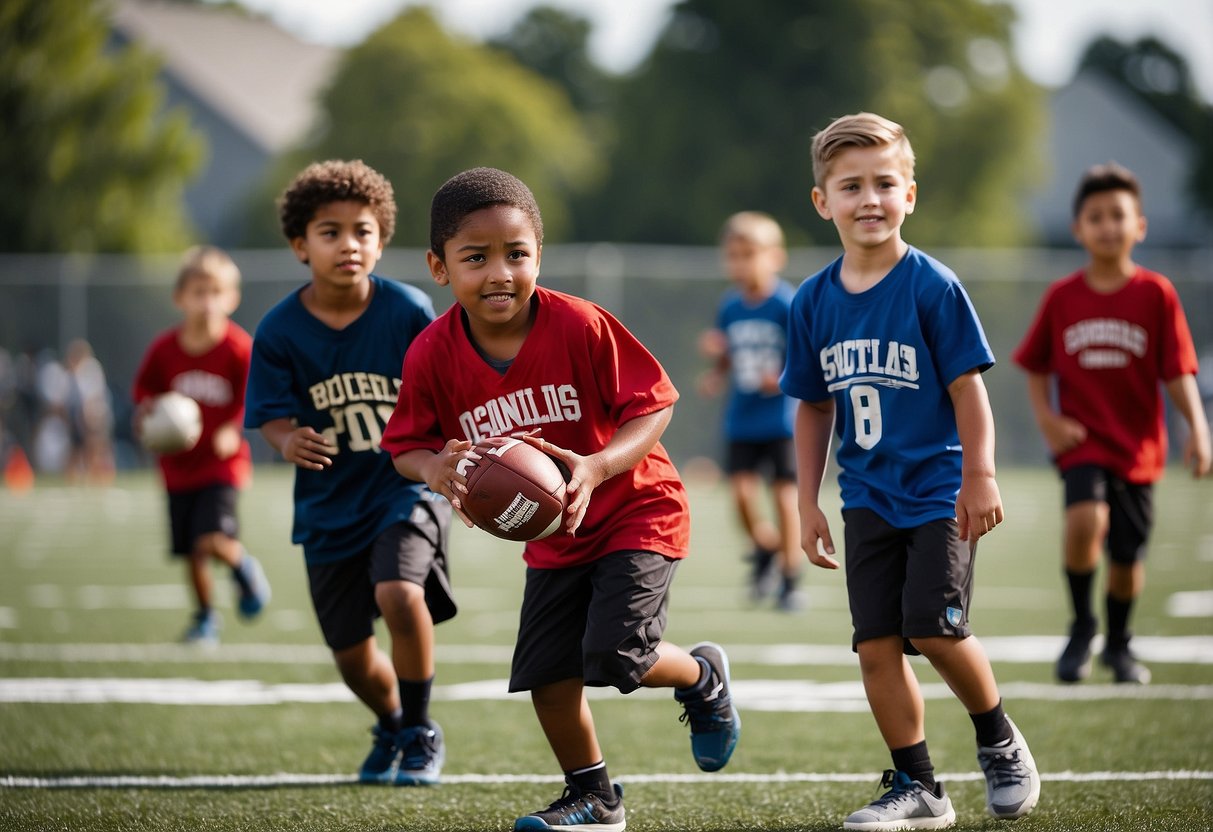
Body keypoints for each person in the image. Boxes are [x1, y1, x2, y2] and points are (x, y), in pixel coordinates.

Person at [380, 167, 741, 831]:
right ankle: (594, 797)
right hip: (549, 531)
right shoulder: (431, 353)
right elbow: (404, 443)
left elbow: (654, 405)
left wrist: (597, 466)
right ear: (439, 267)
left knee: (614, 657)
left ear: (538, 257)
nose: (499, 273)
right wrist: (435, 469)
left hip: (635, 506)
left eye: (516, 254)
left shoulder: (579, 324)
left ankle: (699, 676)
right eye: (475, 258)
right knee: (547, 672)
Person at [781, 112, 1040, 829]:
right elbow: (811, 408)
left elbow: (968, 388)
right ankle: (918, 786)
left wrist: (979, 474)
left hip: (936, 490)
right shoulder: (811, 300)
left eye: (884, 184)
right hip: (865, 495)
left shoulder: (931, 285)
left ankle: (997, 740)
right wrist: (806, 502)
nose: (869, 199)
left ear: (910, 195)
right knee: (873, 647)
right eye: (850, 186)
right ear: (821, 201)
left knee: (933, 628)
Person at [243, 159, 456, 786]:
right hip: (329, 504)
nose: (348, 245)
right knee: (351, 655)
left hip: (404, 484)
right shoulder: (280, 329)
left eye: (363, 231)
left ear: (382, 241)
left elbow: (448, 390)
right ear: (299, 246)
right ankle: (391, 721)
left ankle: (419, 729)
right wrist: (287, 442)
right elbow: (271, 415)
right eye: (329, 232)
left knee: (398, 592)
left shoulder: (408, 311)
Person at [1012, 162, 1210, 686]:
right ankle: (1082, 627)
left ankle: (1119, 644)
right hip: (1083, 442)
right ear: (1078, 229)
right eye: (1095, 217)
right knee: (1085, 521)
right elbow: (1034, 365)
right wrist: (1048, 420)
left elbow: (1178, 371)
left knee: (1126, 557)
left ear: (1139, 225)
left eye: (1117, 215)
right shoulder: (1062, 296)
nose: (1107, 225)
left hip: (1138, 448)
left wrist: (1199, 427)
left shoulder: (1156, 294)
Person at [132, 246, 271, 646]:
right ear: (180, 298)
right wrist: (147, 412)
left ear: (232, 298)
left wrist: (232, 427)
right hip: (177, 467)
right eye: (198, 293)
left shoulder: (238, 347)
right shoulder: (164, 349)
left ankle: (243, 567)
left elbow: (251, 396)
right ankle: (205, 618)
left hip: (220, 466)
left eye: (216, 292)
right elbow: (144, 389)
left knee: (210, 539)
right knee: (192, 554)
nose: (207, 302)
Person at [697, 211, 803, 611]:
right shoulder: (730, 305)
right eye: (734, 255)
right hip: (741, 417)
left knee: (783, 498)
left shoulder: (786, 303)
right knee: (740, 495)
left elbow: (803, 359)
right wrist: (716, 370)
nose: (741, 263)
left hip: (780, 419)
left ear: (774, 256)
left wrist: (780, 379)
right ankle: (765, 547)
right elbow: (729, 353)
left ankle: (790, 577)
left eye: (749, 254)